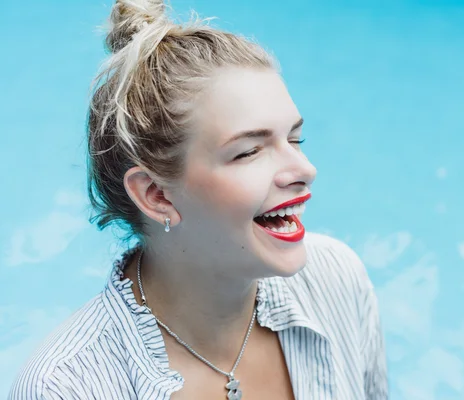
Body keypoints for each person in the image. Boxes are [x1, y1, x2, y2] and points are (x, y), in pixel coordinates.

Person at [8, 0, 388, 398]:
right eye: (249, 152)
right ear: (156, 195)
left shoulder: (337, 279)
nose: (304, 170)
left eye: (294, 139)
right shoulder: (65, 387)